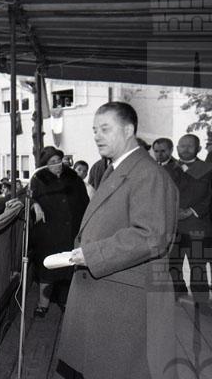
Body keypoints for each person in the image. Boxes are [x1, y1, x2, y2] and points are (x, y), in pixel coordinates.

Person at [57, 102, 177, 379]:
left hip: (122, 298)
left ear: (128, 130)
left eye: (105, 129)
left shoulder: (147, 173)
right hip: (108, 291)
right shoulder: (117, 169)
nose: (97, 136)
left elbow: (152, 235)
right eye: (94, 130)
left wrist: (92, 254)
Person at [30, 146, 89, 317]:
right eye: (52, 162)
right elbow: (27, 197)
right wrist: (35, 204)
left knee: (67, 267)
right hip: (48, 233)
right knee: (46, 268)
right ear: (45, 164)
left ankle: (65, 302)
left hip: (70, 231)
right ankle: (43, 304)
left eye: (59, 160)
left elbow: (84, 201)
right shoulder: (38, 179)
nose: (57, 165)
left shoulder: (73, 178)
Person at [170, 133, 212, 299]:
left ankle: (202, 304)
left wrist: (191, 210)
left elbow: (210, 196)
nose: (185, 149)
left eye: (190, 146)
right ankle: (177, 299)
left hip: (197, 225)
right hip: (173, 226)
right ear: (177, 148)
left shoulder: (208, 169)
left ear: (199, 148)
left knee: (197, 268)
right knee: (173, 267)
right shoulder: (169, 169)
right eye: (182, 146)